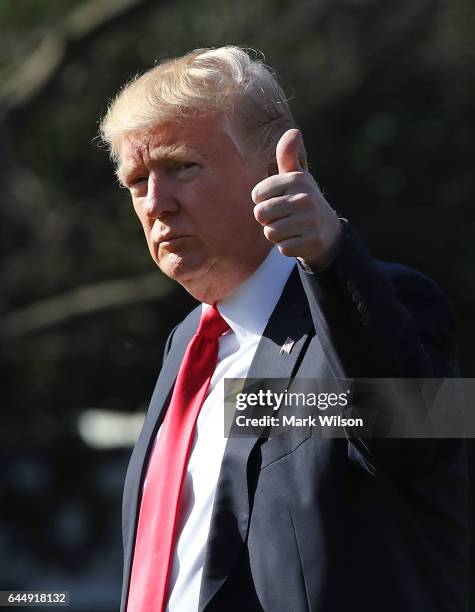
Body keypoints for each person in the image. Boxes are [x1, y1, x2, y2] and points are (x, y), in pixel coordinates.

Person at [99, 46, 468, 612]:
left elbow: (419, 442)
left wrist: (333, 259)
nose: (157, 203)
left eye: (181, 167)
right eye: (137, 180)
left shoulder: (378, 298)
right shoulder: (186, 344)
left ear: (273, 166)